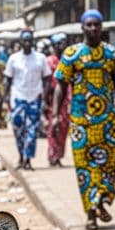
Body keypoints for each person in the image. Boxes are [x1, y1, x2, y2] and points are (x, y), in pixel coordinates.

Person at [55, 10, 115, 230]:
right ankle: (90, 213)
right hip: (81, 123)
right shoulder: (72, 54)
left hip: (107, 122)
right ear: (82, 27)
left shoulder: (111, 54)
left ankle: (100, 202)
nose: (93, 28)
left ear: (101, 27)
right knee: (85, 169)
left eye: (96, 24)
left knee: (107, 166)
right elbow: (60, 86)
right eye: (89, 24)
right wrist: (55, 116)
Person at [3, 28, 51, 170]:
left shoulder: (40, 58)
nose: (27, 43)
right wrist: (5, 99)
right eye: (25, 40)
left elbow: (47, 78)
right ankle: (20, 156)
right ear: (21, 42)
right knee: (18, 129)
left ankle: (28, 160)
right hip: (18, 99)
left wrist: (44, 95)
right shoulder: (13, 59)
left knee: (32, 131)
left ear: (33, 41)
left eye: (30, 40)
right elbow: (8, 80)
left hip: (34, 99)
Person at [46, 32, 69, 166]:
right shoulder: (50, 61)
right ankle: (53, 156)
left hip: (66, 100)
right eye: (60, 43)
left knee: (63, 128)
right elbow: (47, 82)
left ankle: (59, 155)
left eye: (64, 43)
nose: (63, 46)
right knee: (54, 128)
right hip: (53, 99)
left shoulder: (67, 60)